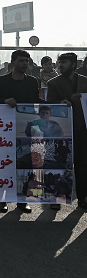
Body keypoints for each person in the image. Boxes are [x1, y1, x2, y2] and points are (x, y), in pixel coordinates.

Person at [0, 49, 42, 213]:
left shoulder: (32, 81)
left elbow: (36, 101)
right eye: (21, 61)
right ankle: (1, 200)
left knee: (26, 166)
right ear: (12, 63)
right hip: (3, 132)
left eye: (27, 61)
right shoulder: (1, 81)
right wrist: (4, 101)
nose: (25, 64)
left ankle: (22, 200)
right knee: (4, 165)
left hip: (26, 131)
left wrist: (59, 104)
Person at [47, 52, 87, 209]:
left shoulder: (84, 81)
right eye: (59, 62)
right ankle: (57, 198)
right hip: (61, 130)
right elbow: (50, 104)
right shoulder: (53, 83)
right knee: (59, 164)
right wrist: (63, 102)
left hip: (82, 128)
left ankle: (83, 197)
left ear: (74, 64)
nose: (60, 65)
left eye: (64, 62)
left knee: (82, 164)